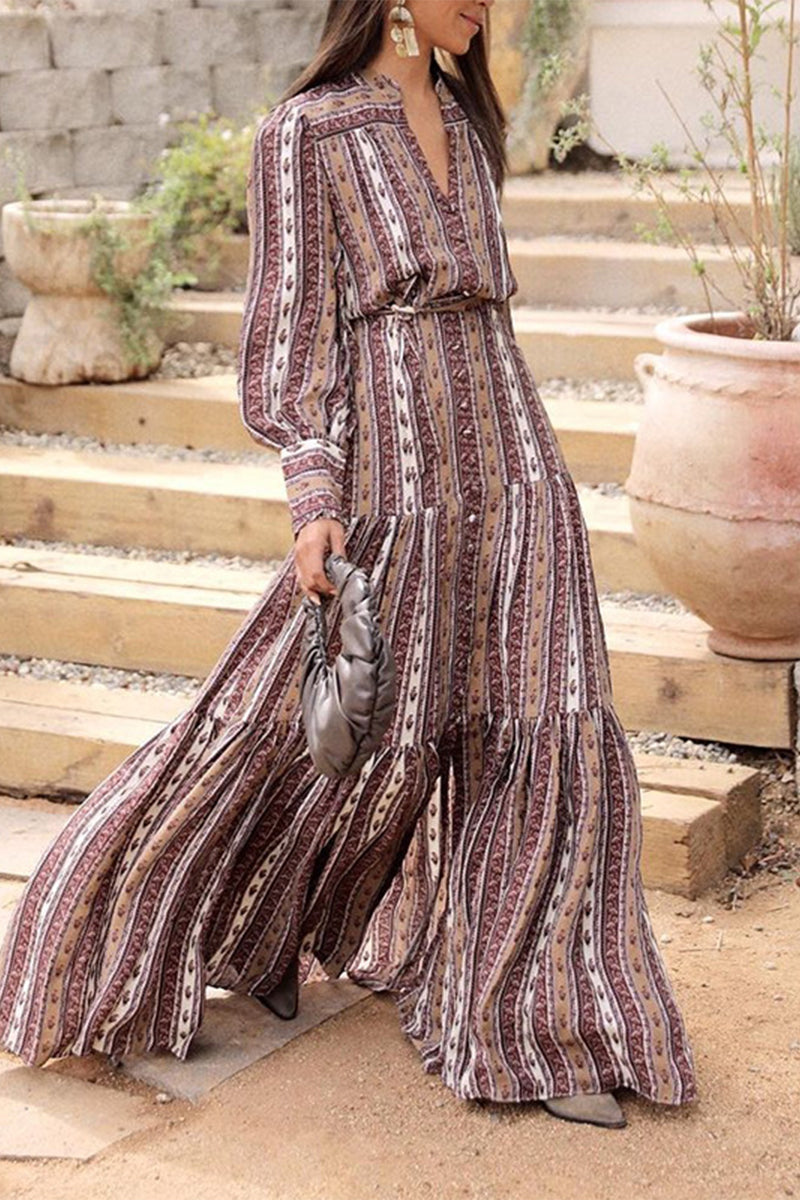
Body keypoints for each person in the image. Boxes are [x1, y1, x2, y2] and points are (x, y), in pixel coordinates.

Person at [0, 0, 698, 1130]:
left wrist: (530, 472)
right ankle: (227, 930)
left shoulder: (466, 121)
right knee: (325, 718)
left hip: (515, 464)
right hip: (392, 471)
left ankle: (545, 1019)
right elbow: (290, 335)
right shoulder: (305, 131)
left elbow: (488, 313)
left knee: (542, 709)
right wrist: (314, 498)